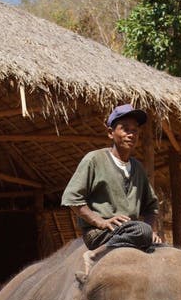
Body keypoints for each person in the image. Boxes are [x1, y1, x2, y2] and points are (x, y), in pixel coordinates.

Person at [61, 103, 161, 272]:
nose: (131, 134)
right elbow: (72, 198)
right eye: (125, 129)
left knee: (159, 247)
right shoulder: (94, 160)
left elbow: (151, 207)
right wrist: (100, 222)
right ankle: (95, 254)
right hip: (101, 233)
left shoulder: (138, 168)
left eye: (135, 130)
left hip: (131, 232)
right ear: (110, 133)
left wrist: (152, 231)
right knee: (141, 229)